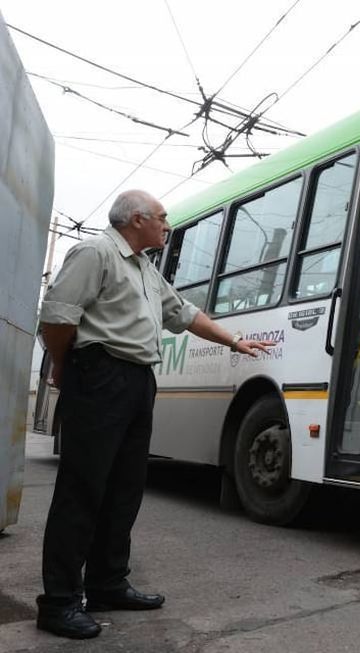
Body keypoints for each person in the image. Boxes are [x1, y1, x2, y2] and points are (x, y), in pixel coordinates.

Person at [35, 190, 274, 640]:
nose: (167, 225)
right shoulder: (95, 252)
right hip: (99, 373)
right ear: (137, 219)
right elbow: (59, 316)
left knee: (124, 488)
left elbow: (183, 313)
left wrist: (234, 341)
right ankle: (59, 602)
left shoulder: (145, 268)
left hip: (138, 378)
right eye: (162, 218)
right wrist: (66, 366)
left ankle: (107, 583)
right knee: (82, 489)